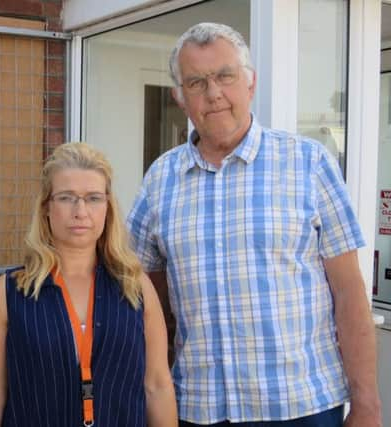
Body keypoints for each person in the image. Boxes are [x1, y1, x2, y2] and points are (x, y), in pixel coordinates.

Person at [127, 22, 381, 427]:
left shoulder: (309, 163)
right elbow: (145, 300)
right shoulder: (160, 180)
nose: (214, 94)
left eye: (225, 76)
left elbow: (350, 293)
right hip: (198, 408)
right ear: (179, 97)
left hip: (302, 407)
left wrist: (367, 406)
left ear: (250, 82)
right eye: (196, 82)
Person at [0, 142, 177, 427]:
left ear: (108, 207)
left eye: (93, 198)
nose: (80, 211)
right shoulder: (9, 293)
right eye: (66, 198)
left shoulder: (134, 286)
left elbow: (157, 386)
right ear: (46, 208)